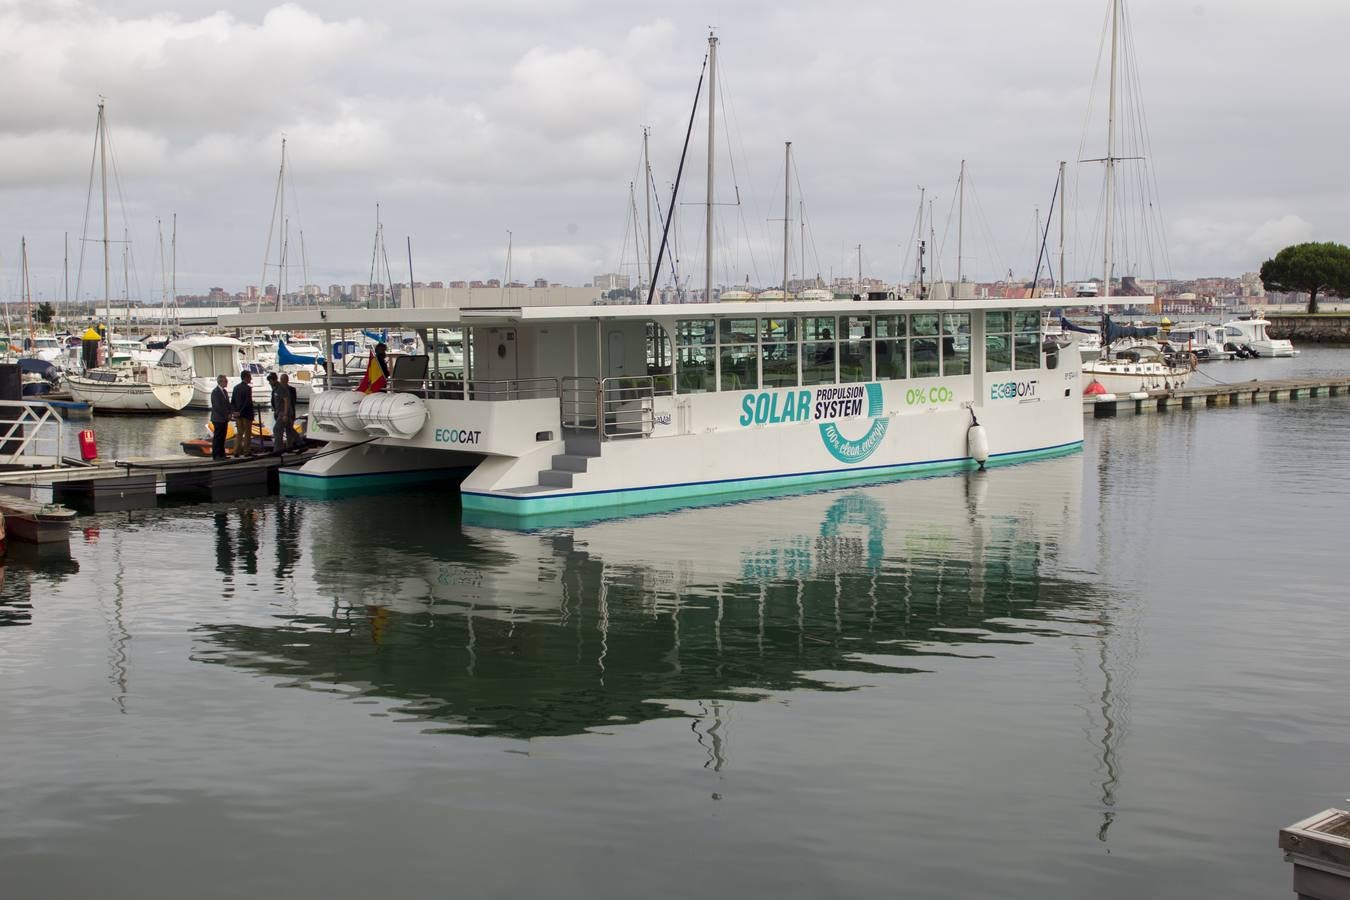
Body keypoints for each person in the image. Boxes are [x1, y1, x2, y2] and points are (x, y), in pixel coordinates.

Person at [231, 370, 256, 457]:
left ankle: (236, 451)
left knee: (239, 433)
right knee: (247, 433)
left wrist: (235, 412)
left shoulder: (235, 388)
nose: (251, 378)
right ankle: (246, 451)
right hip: (246, 414)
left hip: (238, 415)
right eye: (249, 377)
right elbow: (247, 402)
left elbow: (233, 401)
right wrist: (241, 412)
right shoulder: (248, 388)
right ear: (246, 377)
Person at [209, 374, 231, 460]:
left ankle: (222, 454)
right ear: (220, 381)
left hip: (224, 418)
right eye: (226, 381)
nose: (227, 382)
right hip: (218, 419)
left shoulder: (224, 392)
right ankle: (216, 455)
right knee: (218, 437)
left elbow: (227, 404)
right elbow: (217, 407)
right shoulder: (215, 392)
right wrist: (226, 415)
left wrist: (230, 413)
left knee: (223, 437)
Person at [275, 372, 298, 454]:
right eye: (281, 379)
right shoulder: (278, 389)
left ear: (287, 380)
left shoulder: (291, 389)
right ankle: (293, 445)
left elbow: (292, 401)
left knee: (284, 430)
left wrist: (287, 413)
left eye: (283, 379)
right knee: (289, 429)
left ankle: (286, 447)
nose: (282, 381)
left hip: (286, 413)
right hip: (281, 412)